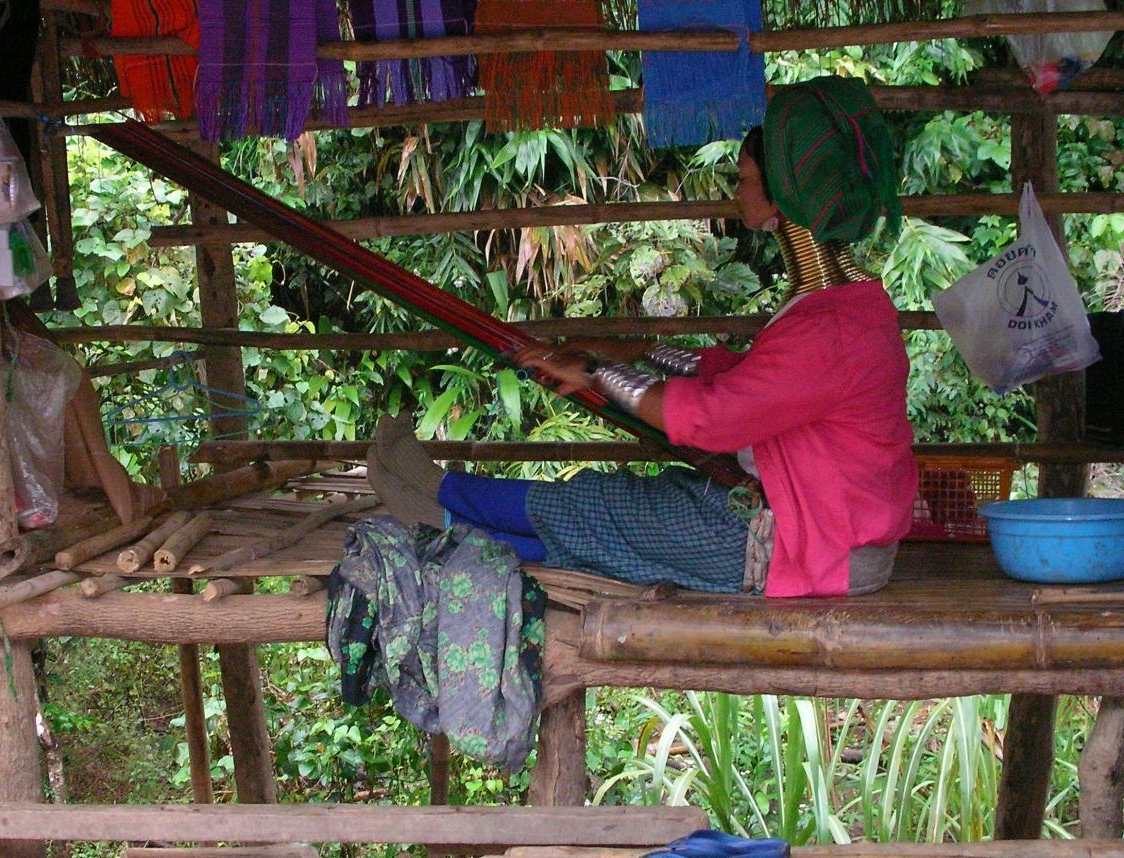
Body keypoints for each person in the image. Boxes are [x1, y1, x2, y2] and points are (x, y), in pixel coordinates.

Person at [366, 76, 918, 598]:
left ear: (782, 198)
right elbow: (757, 379)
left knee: (599, 505)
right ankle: (446, 520)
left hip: (809, 547)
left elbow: (712, 418)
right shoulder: (851, 306)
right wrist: (642, 352)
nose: (735, 191)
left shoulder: (830, 327)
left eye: (745, 178)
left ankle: (441, 500)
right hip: (808, 527)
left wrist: (595, 372)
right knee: (606, 524)